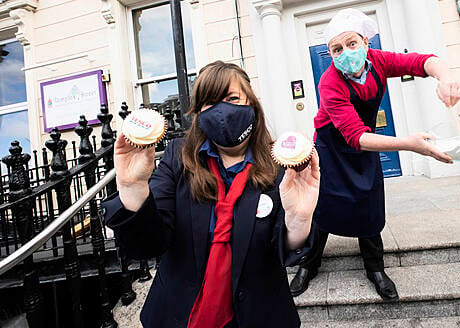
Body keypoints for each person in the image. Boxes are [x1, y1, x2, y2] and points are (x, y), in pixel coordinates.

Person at [102, 61, 320, 328]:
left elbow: (282, 250)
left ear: (251, 103)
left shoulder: (280, 167)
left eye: (231, 98)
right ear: (198, 113)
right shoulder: (177, 157)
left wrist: (299, 218)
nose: (222, 110)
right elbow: (150, 245)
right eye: (209, 102)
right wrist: (133, 189)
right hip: (178, 316)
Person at [289, 9, 460, 301]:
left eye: (351, 43)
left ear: (366, 42)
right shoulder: (330, 82)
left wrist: (445, 76)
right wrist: (410, 144)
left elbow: (422, 62)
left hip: (367, 140)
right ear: (330, 54)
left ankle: (375, 269)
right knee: (323, 205)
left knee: (368, 199)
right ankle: (308, 266)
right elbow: (354, 136)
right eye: (336, 49)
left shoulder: (380, 61)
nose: (345, 52)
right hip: (332, 147)